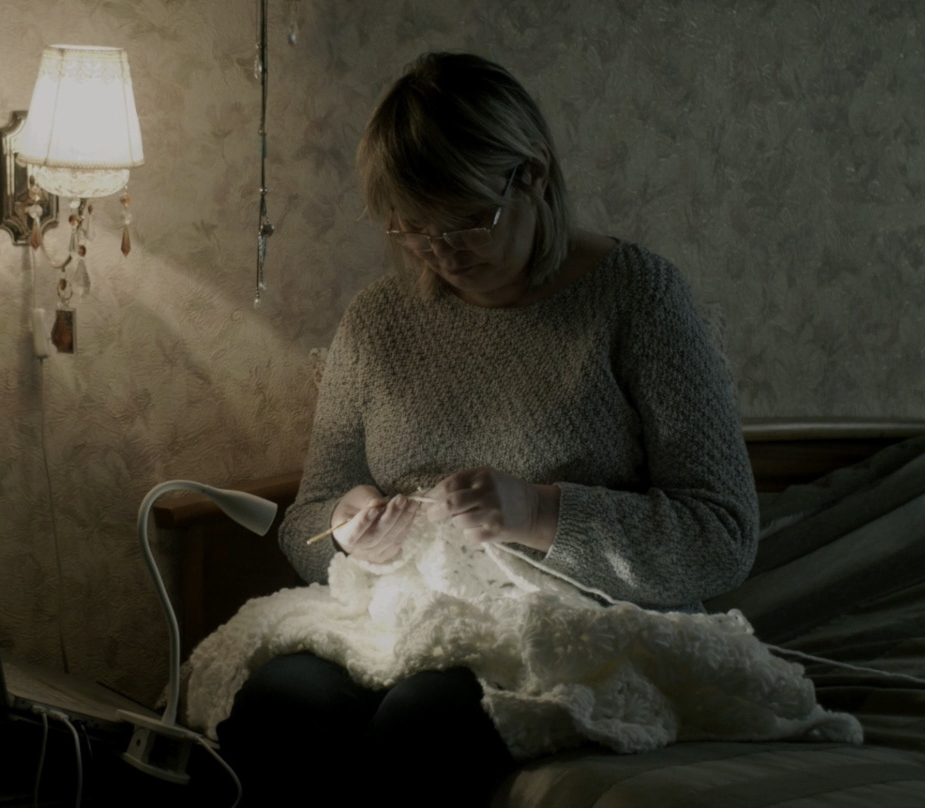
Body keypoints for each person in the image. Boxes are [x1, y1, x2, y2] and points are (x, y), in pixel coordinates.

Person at [210, 52, 757, 808]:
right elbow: (308, 519)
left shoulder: (638, 299)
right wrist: (348, 530)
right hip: (404, 611)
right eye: (411, 228)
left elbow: (722, 536)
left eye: (466, 220)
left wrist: (538, 512)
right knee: (278, 703)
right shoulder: (377, 322)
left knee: (422, 725)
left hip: (573, 622)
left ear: (532, 176)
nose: (440, 251)